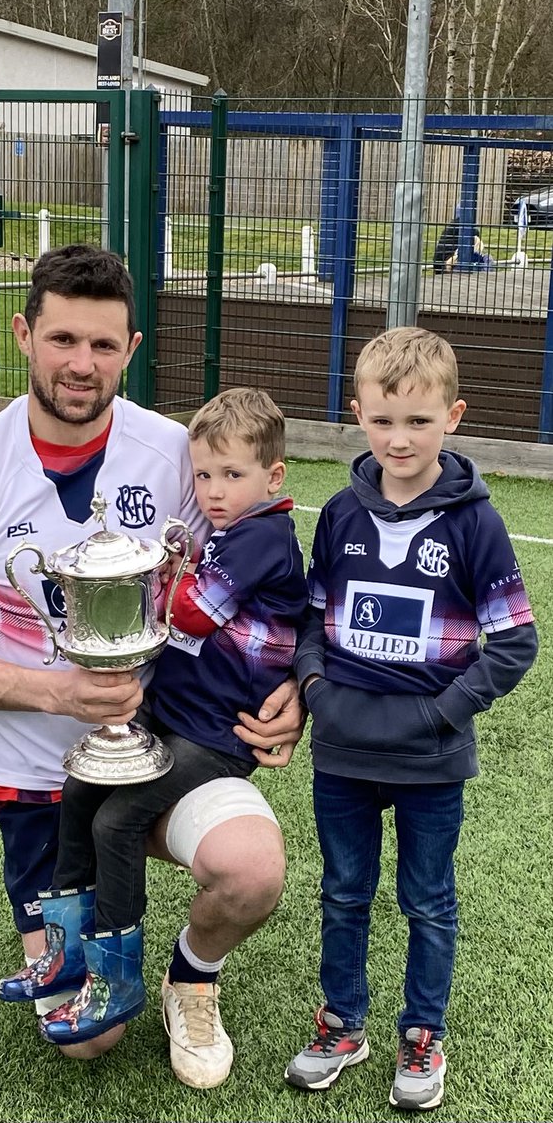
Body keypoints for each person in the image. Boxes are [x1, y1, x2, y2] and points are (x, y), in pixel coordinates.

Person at [0, 244, 305, 1090]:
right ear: (24, 335)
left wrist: (298, 687)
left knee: (253, 870)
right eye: (63, 340)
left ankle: (190, 975)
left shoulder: (177, 455)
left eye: (104, 345)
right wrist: (60, 692)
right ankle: (82, 952)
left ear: (133, 348)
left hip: (170, 743)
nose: (82, 364)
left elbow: (267, 577)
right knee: (86, 1042)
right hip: (38, 775)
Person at [0, 387, 309, 1050]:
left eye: (233, 475)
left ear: (272, 477)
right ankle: (64, 951)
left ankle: (118, 977)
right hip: (173, 718)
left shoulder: (264, 536)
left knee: (116, 818)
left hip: (216, 736)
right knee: (80, 786)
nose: (213, 491)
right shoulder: (227, 533)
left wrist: (148, 576)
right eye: (203, 475)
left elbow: (191, 614)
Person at [284, 327, 537, 1111]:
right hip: (343, 751)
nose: (400, 438)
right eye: (385, 420)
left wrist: (444, 711)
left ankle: (423, 1033)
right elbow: (312, 618)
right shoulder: (338, 514)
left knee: (428, 899)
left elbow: (517, 639)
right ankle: (343, 1024)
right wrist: (316, 686)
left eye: (419, 421)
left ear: (452, 417)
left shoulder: (475, 523)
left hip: (430, 758)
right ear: (357, 413)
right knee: (343, 892)